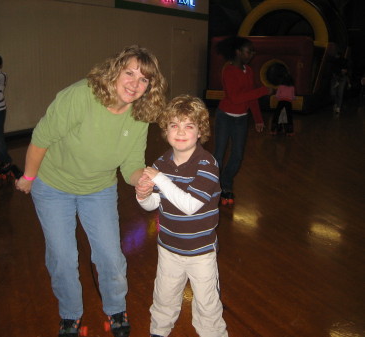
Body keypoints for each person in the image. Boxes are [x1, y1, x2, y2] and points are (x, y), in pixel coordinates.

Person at [15, 45, 167, 337]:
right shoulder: (80, 96)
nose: (135, 83)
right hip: (53, 186)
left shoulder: (140, 114)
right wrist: (29, 176)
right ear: (115, 71)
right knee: (62, 255)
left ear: (151, 87)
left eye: (144, 79)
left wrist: (143, 180)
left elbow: (131, 165)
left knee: (110, 254)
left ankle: (115, 308)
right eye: (130, 73)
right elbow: (41, 139)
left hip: (98, 188)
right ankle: (70, 315)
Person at [136, 95, 228, 337]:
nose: (181, 131)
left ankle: (213, 334)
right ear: (165, 130)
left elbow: (189, 205)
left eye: (189, 126)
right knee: (163, 296)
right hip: (168, 248)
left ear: (200, 132)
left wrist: (159, 179)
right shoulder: (161, 163)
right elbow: (154, 204)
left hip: (201, 252)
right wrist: (143, 195)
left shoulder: (207, 164)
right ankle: (159, 331)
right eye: (174, 125)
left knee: (207, 303)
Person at [213, 36, 272, 206]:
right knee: (218, 155)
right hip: (225, 117)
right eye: (249, 51)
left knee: (237, 156)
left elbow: (251, 97)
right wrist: (262, 91)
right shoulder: (229, 71)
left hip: (241, 119)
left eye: (253, 51)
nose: (251, 54)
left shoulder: (249, 70)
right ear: (238, 52)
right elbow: (236, 98)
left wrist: (258, 119)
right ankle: (214, 188)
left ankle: (226, 183)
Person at [270, 72, 296, 136]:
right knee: (289, 116)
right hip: (288, 103)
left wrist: (279, 98)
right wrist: (293, 98)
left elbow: (277, 95)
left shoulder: (280, 86)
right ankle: (290, 132)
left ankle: (273, 130)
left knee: (276, 115)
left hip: (281, 102)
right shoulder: (292, 87)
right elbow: (292, 97)